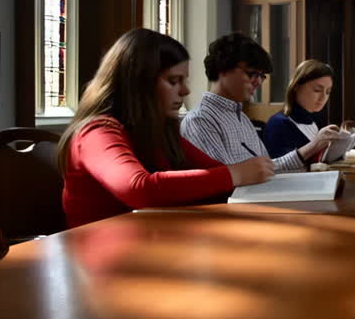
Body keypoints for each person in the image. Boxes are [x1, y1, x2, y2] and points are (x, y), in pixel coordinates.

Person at [57, 28, 273, 228]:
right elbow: (139, 189)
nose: (186, 90)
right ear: (139, 83)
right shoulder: (96, 132)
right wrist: (235, 173)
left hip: (149, 241)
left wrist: (240, 176)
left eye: (184, 80)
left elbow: (213, 172)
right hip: (96, 256)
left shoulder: (158, 131)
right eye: (173, 81)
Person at [181, 33, 306, 172]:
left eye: (261, 76)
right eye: (252, 73)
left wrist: (311, 149)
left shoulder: (242, 118)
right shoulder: (200, 120)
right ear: (223, 68)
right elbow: (225, 179)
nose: (258, 81)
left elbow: (266, 169)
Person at [261, 59, 342, 164]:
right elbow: (276, 168)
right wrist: (316, 144)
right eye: (317, 90)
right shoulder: (278, 123)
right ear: (296, 86)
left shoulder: (315, 120)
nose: (323, 97)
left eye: (328, 92)